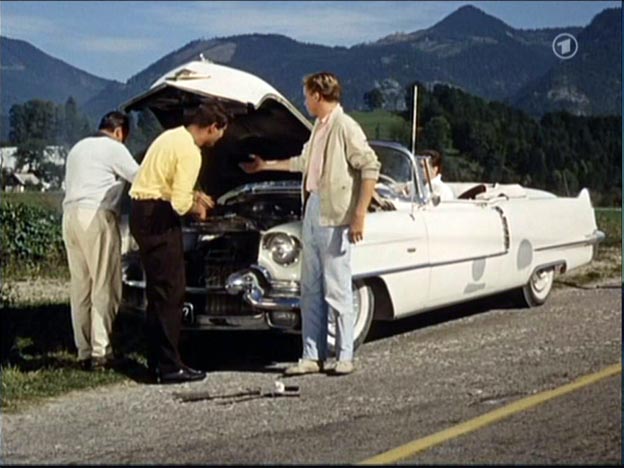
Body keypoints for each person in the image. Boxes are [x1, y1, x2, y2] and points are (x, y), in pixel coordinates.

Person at [240, 72, 380, 376]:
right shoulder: (319, 126)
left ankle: (345, 354)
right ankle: (311, 354)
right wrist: (265, 166)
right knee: (310, 287)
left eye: (307, 95)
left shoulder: (344, 126)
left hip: (335, 212)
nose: (305, 101)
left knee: (337, 285)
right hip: (314, 205)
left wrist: (359, 213)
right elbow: (303, 163)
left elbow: (369, 165)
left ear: (318, 94)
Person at [129, 103, 229, 384]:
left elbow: (167, 181)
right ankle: (170, 366)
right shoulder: (191, 152)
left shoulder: (171, 137)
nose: (219, 139)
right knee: (171, 292)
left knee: (158, 292)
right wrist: (197, 208)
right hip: (158, 219)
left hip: (141, 212)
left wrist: (194, 196)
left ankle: (157, 363)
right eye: (220, 133)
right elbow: (179, 201)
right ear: (212, 128)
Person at [62, 111, 139, 371]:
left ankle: (83, 350)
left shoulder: (78, 148)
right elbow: (139, 178)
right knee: (104, 285)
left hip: (70, 217)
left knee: (80, 286)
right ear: (120, 132)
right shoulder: (113, 149)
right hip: (96, 215)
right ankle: (101, 351)